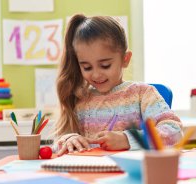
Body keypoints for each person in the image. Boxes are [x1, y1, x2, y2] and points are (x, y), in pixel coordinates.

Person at [53, 14, 182, 156]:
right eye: (87, 67)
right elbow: (57, 146)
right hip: (90, 173)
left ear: (125, 59)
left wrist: (128, 139)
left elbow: (174, 132)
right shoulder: (79, 97)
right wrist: (69, 139)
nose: (96, 74)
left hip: (133, 172)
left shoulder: (142, 94)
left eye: (105, 65)